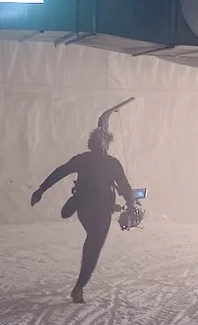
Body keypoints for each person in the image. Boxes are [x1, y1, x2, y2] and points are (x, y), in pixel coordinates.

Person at [30, 128, 135, 303]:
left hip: (85, 209)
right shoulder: (110, 163)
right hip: (100, 212)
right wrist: (131, 203)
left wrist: (42, 189)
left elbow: (60, 172)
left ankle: (72, 205)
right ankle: (78, 288)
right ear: (105, 144)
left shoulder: (84, 159)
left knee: (92, 241)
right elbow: (124, 186)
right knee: (93, 247)